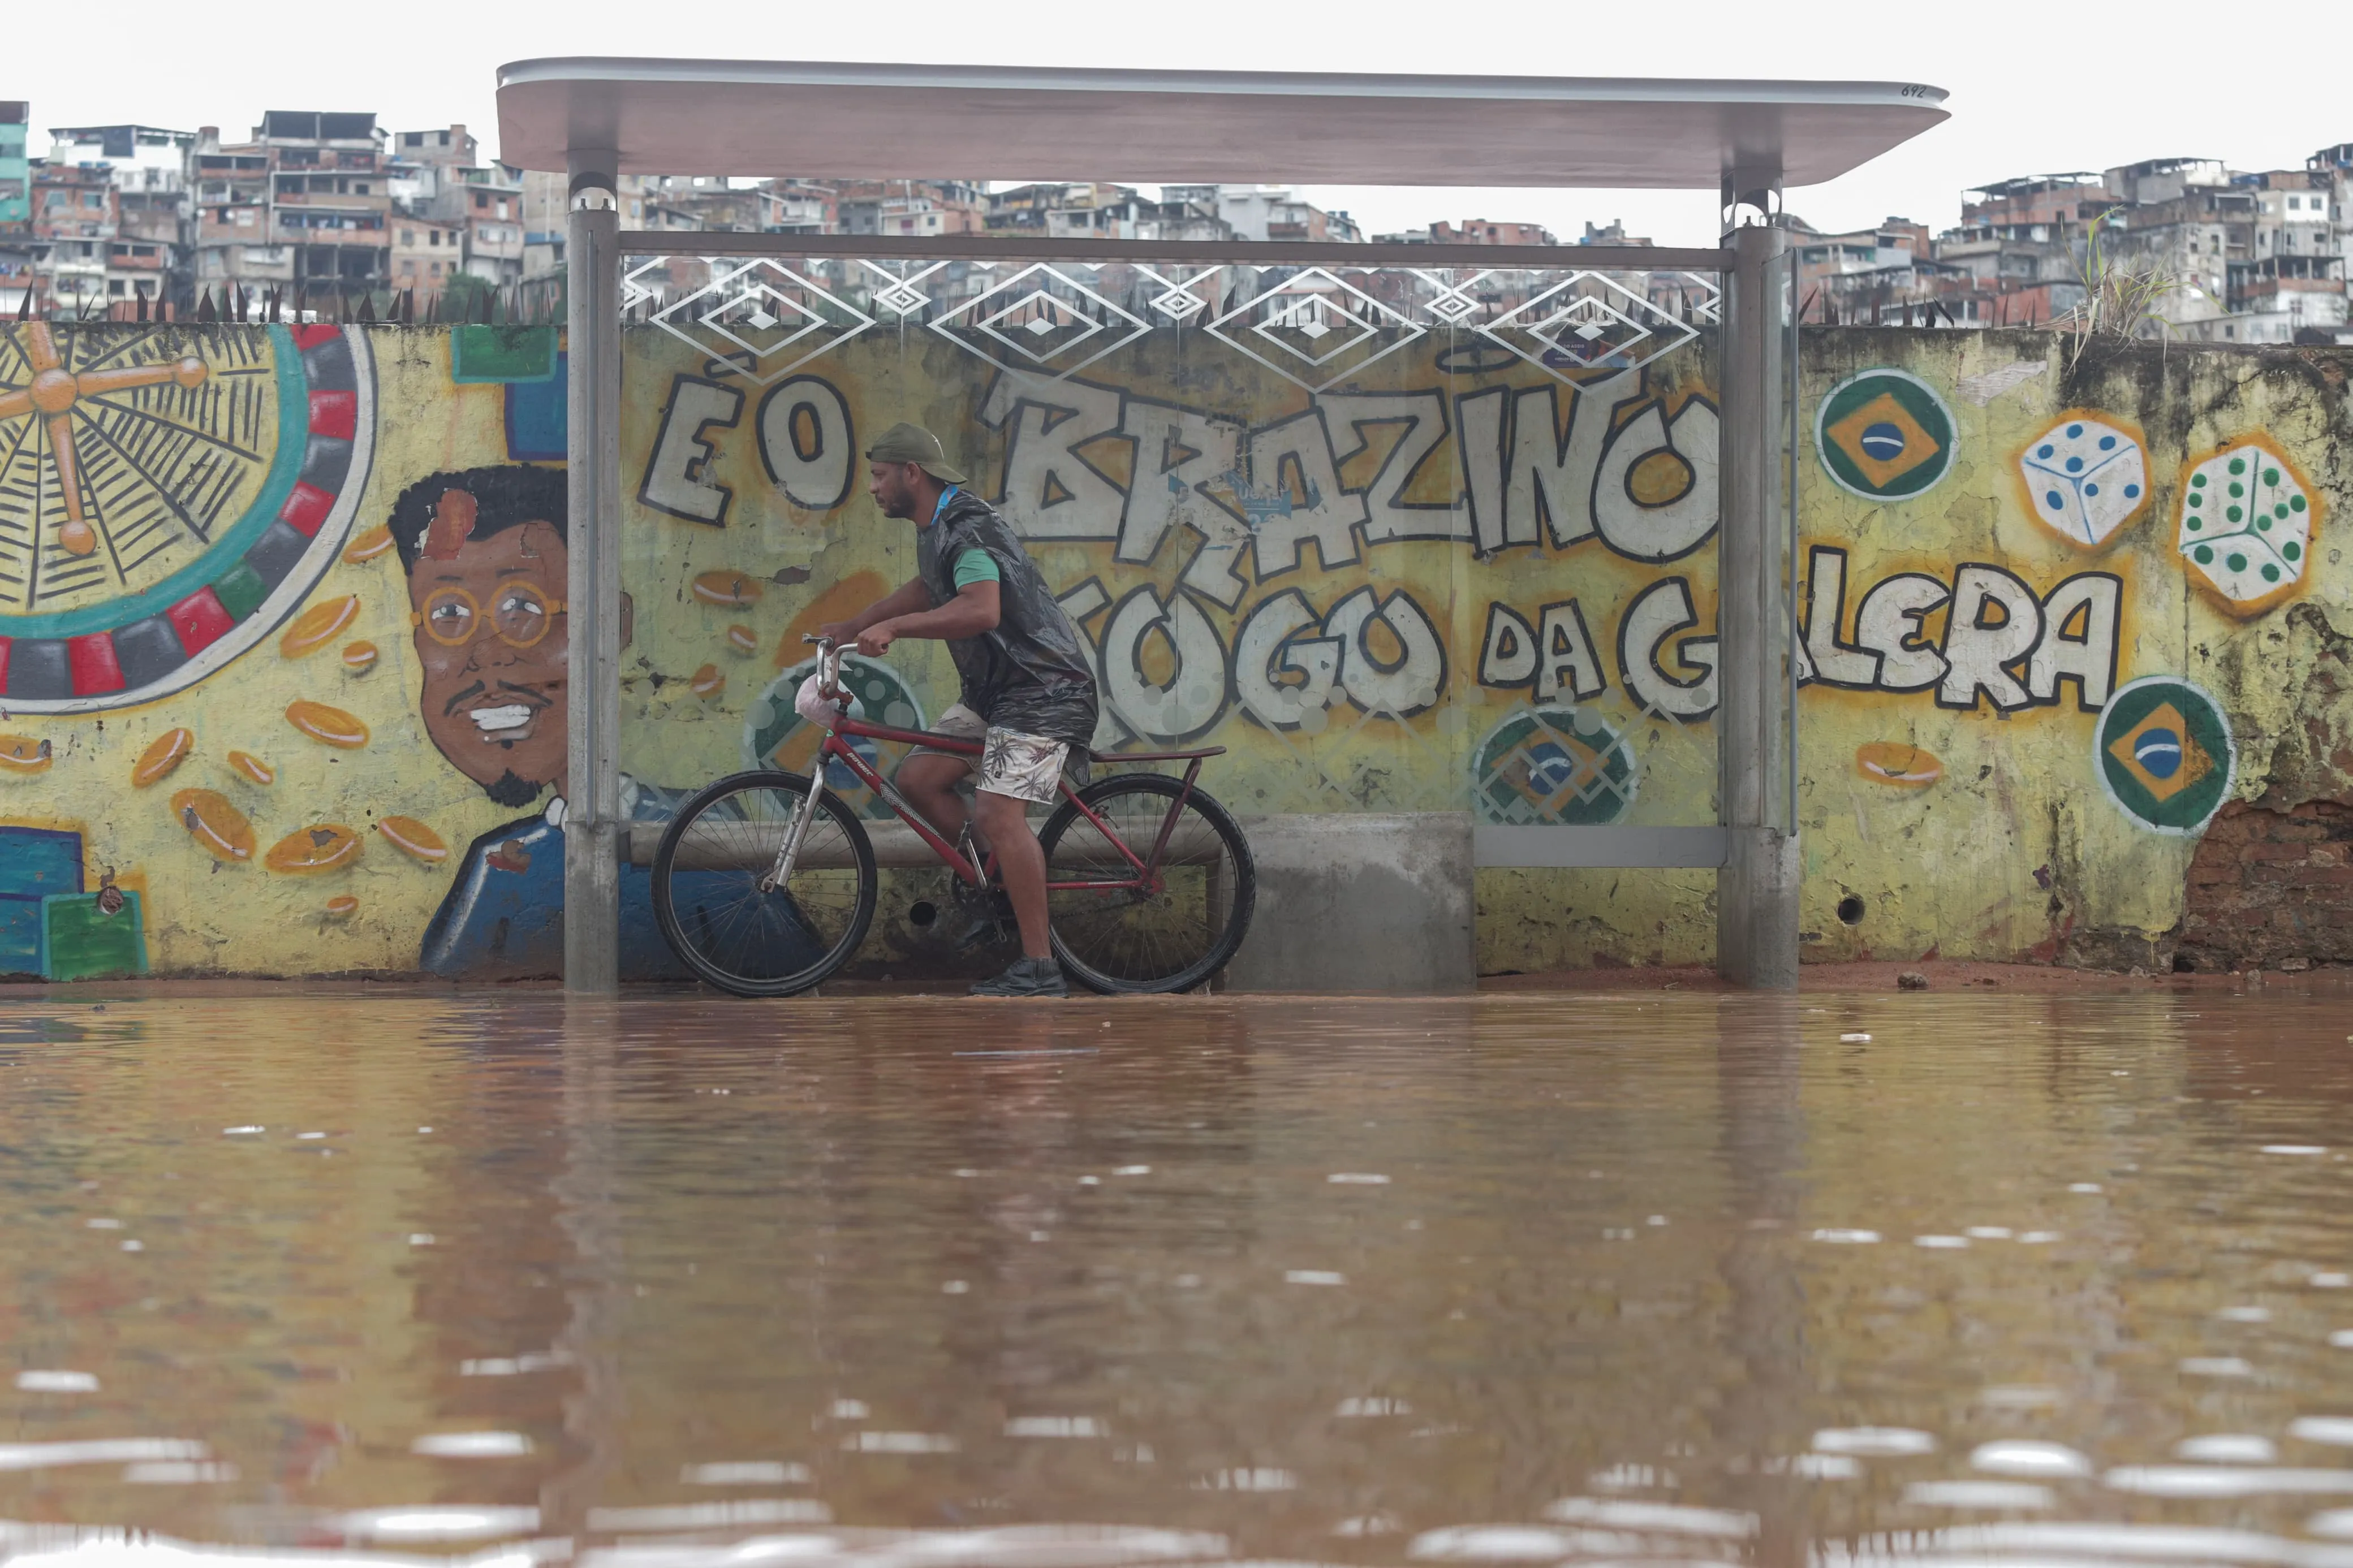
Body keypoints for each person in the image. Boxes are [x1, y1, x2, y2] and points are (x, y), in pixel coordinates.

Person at [387, 465, 730, 979]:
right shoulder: (497, 867)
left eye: (522, 607)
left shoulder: (706, 841)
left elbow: (774, 961)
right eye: (448, 614)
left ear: (614, 626)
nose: (487, 658)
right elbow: (456, 995)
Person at [816, 423, 1100, 999]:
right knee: (919, 779)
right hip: (995, 693)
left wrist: (892, 628)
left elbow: (981, 609)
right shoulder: (937, 526)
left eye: (877, 475)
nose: (871, 488)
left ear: (910, 474)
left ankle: (1040, 967)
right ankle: (999, 886)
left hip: (1043, 691)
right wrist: (853, 624)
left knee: (1000, 815)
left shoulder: (966, 530)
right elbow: (929, 589)